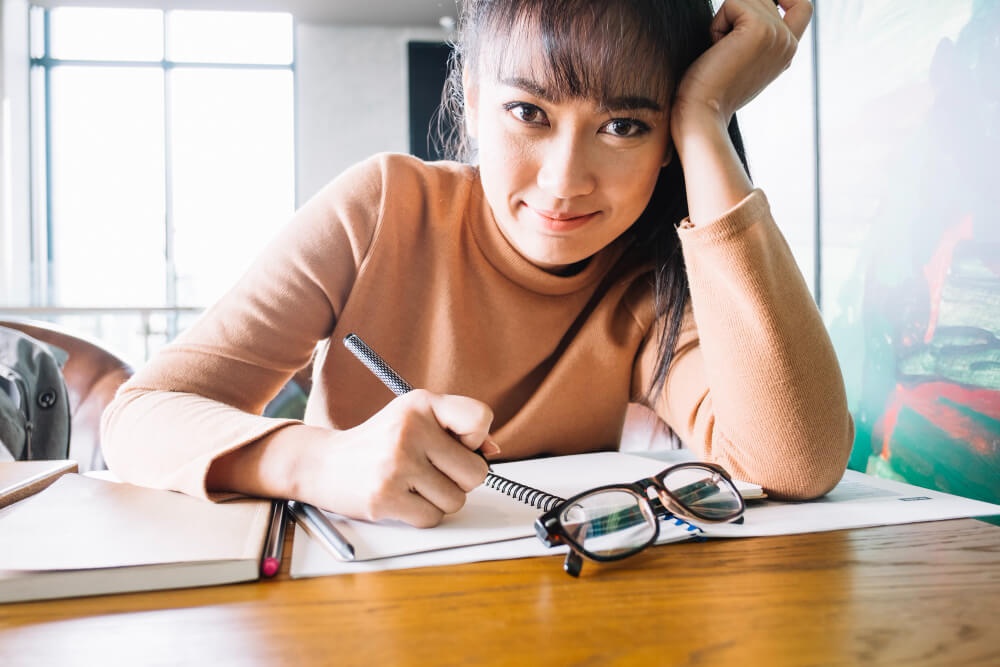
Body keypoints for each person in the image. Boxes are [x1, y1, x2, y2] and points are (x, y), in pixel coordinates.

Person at [101, 0, 853, 528]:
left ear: (665, 150)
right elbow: (137, 416)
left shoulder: (650, 280)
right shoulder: (381, 207)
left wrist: (706, 119)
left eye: (626, 125)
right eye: (529, 113)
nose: (564, 181)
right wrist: (322, 462)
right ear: (470, 95)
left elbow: (797, 459)